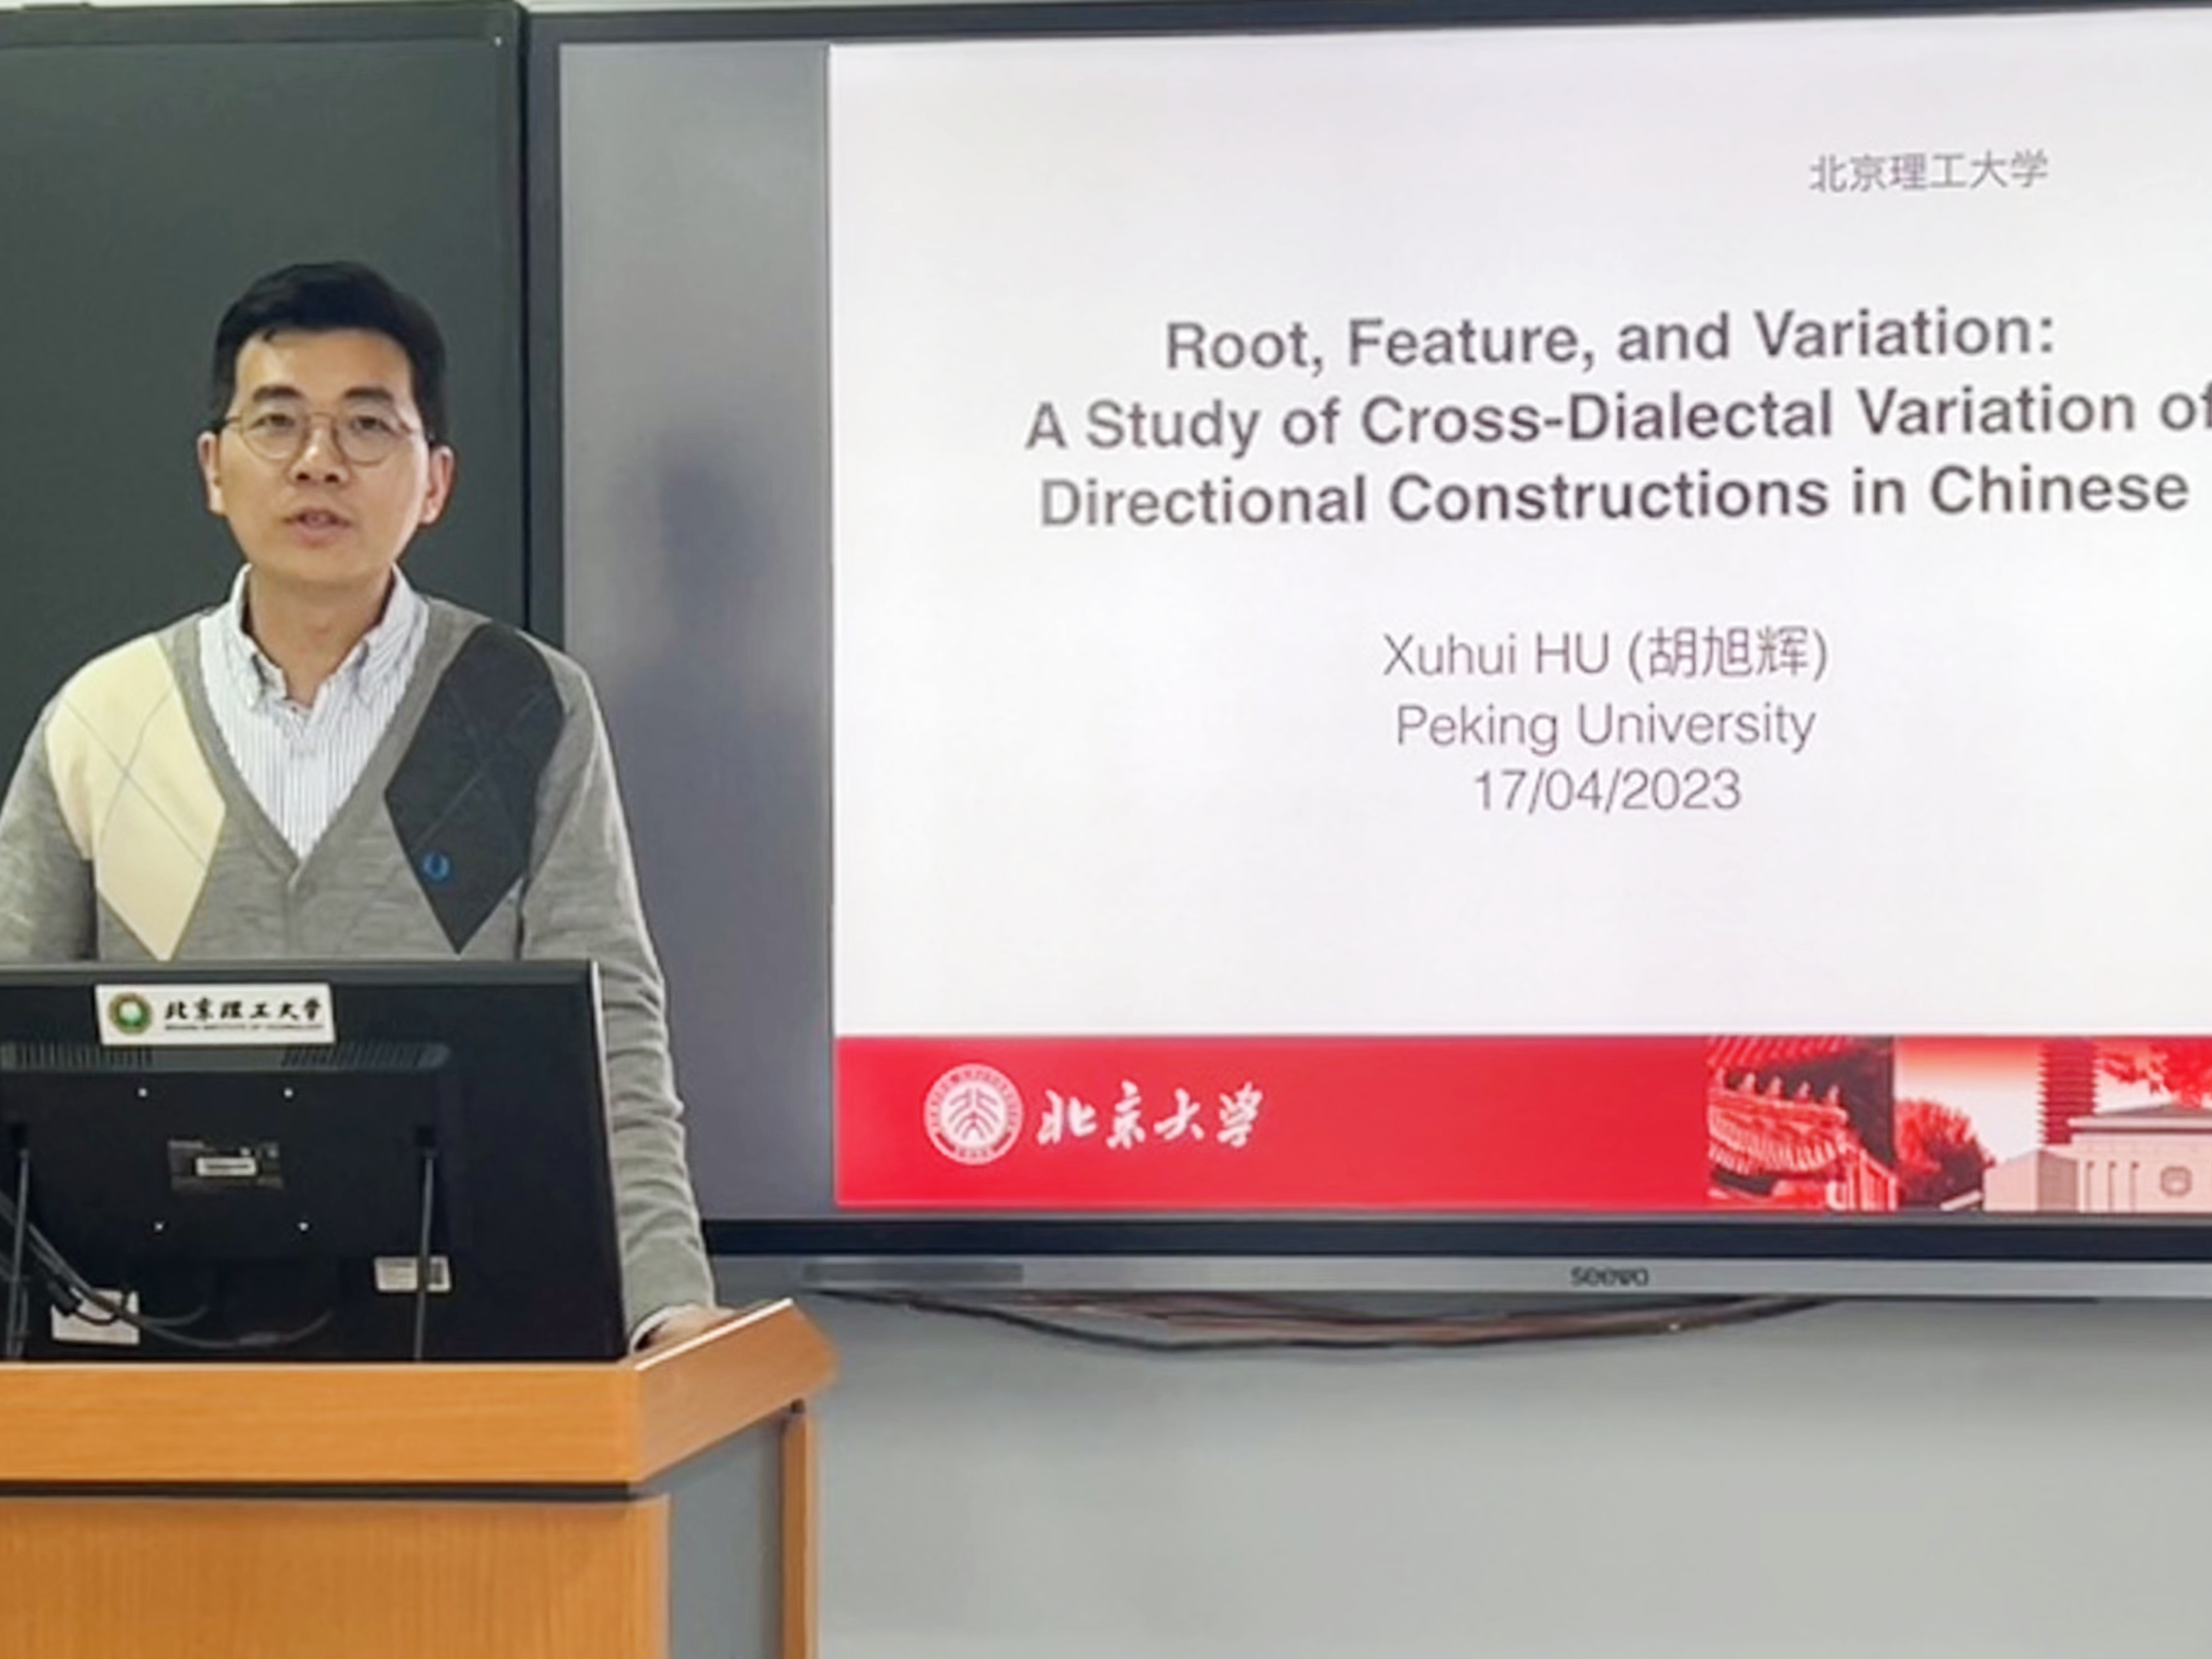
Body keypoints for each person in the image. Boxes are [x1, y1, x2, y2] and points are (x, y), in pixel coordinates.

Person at [0, 261, 722, 1350]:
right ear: (214, 469)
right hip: (152, 1345)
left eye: (367, 425)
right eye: (276, 420)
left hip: (467, 1337)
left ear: (435, 481)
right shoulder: (105, 716)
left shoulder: (518, 707)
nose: (318, 461)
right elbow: (14, 1042)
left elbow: (608, 1030)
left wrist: (667, 1301)